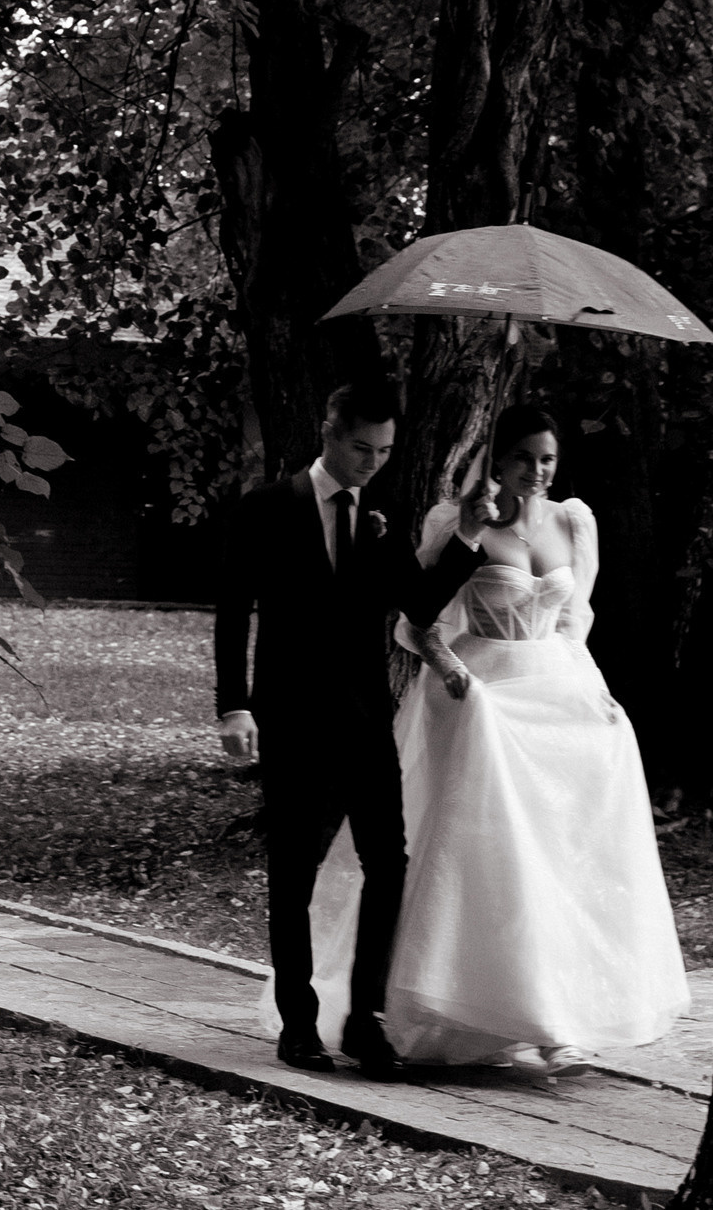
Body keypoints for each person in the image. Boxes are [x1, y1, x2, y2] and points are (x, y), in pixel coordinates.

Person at [295, 404, 690, 1076]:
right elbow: (413, 618)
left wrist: (597, 692)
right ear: (498, 460)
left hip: (554, 692)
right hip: (481, 692)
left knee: (562, 852)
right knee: (492, 854)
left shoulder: (574, 520)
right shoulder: (457, 519)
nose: (537, 471)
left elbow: (573, 621)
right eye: (524, 458)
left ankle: (560, 1013)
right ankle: (476, 1005)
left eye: (548, 459)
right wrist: (451, 669)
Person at [215, 379, 491, 1079]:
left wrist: (469, 532)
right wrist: (234, 704)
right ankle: (299, 1023)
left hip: (368, 714)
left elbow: (420, 601)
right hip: (293, 711)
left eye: (385, 451)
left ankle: (364, 1019)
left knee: (389, 862)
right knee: (294, 865)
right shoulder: (269, 506)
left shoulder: (384, 514)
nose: (373, 461)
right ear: (330, 431)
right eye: (362, 447)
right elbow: (233, 608)